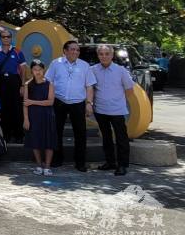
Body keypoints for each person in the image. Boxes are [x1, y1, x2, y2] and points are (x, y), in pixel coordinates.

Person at [46, 40, 96, 172]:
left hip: (78, 103)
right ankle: (57, 159)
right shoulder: (55, 63)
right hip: (59, 101)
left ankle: (80, 162)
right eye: (72, 49)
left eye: (77, 50)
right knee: (56, 131)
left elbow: (89, 86)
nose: (75, 52)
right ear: (65, 51)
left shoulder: (85, 66)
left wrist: (89, 103)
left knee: (80, 133)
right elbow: (48, 82)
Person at [91, 44, 134, 176]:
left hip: (117, 110)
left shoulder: (120, 70)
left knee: (121, 138)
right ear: (98, 55)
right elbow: (90, 88)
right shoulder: (92, 70)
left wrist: (119, 101)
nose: (104, 56)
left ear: (112, 55)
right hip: (100, 110)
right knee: (106, 138)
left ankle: (122, 165)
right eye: (101, 54)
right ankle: (110, 162)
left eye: (107, 54)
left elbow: (130, 90)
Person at [0, 30, 27, 143]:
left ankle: (19, 135)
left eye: (8, 36)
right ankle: (6, 134)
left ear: (11, 38)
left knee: (16, 108)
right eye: (3, 37)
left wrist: (23, 85)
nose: (6, 38)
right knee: (3, 108)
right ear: (0, 39)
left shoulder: (17, 51)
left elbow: (23, 70)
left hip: (14, 80)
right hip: (0, 82)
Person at [23, 59, 56, 176]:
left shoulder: (49, 84)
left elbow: (50, 102)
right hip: (33, 116)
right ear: (31, 70)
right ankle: (38, 165)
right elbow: (25, 103)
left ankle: (47, 166)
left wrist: (33, 102)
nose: (38, 72)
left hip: (47, 115)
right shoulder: (28, 85)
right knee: (35, 141)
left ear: (44, 70)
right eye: (35, 69)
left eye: (40, 69)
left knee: (49, 141)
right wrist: (26, 118)